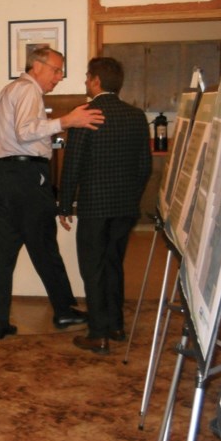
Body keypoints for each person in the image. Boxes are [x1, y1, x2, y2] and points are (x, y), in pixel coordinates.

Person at [0, 46, 104, 340]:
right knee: (45, 246)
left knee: (5, 249)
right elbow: (26, 132)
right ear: (37, 66)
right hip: (25, 177)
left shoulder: (10, 89)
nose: (60, 76)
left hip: (4, 175)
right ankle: (64, 311)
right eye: (56, 69)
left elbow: (18, 134)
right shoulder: (28, 91)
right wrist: (66, 121)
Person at [59, 57, 152, 356]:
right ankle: (116, 325)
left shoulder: (85, 115)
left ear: (97, 80)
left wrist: (63, 205)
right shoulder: (137, 116)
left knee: (93, 268)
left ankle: (98, 334)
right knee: (113, 265)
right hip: (125, 208)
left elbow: (72, 165)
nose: (86, 81)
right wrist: (131, 197)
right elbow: (144, 167)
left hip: (94, 208)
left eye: (88, 76)